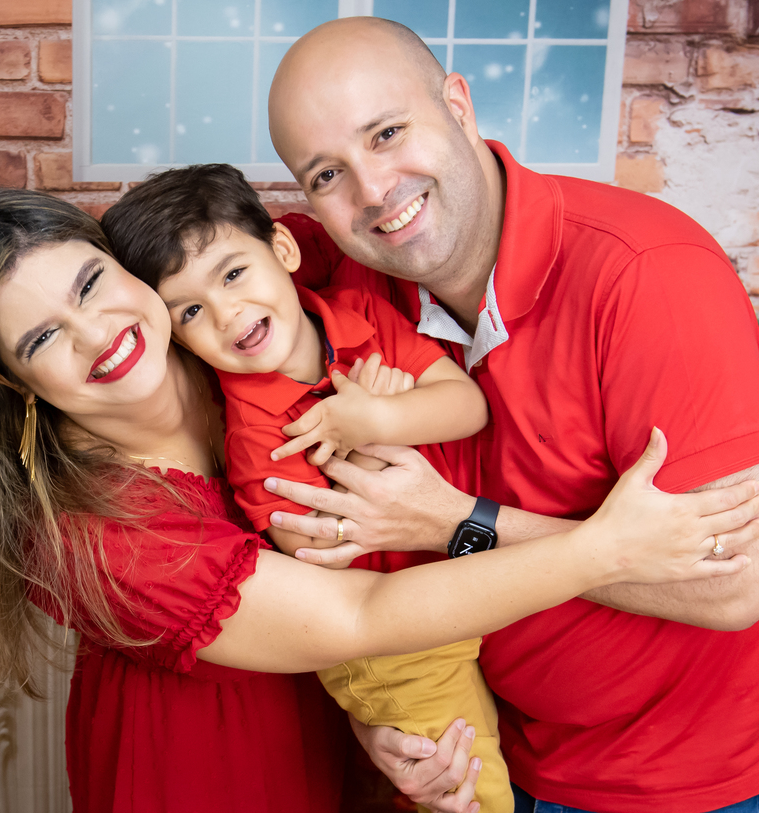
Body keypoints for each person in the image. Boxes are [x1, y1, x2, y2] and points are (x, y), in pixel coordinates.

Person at [0, 188, 759, 813]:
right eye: (43, 338)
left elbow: (344, 216)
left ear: (124, 263)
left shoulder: (228, 342)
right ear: (9, 382)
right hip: (198, 778)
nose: (100, 333)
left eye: (92, 285)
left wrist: (374, 718)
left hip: (326, 728)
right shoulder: (94, 529)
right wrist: (603, 547)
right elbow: (356, 614)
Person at [263, 17, 759, 813]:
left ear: (459, 106)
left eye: (387, 133)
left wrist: (454, 520)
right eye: (327, 174)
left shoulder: (649, 276)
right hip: (501, 745)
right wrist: (383, 717)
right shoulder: (347, 294)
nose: (375, 189)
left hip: (677, 773)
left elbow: (733, 584)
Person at [100, 162, 512, 813]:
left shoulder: (362, 314)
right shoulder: (254, 431)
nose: (228, 313)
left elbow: (468, 406)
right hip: (396, 649)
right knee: (474, 795)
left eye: (233, 273)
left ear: (284, 251)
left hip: (461, 596)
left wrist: (379, 419)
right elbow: (317, 552)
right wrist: (373, 439)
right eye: (192, 311)